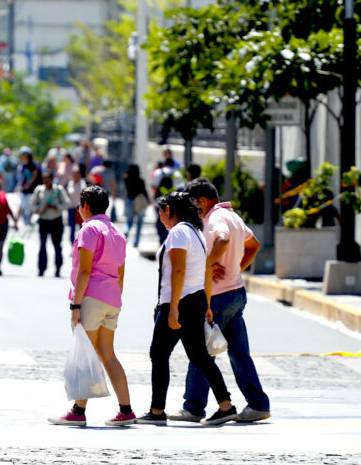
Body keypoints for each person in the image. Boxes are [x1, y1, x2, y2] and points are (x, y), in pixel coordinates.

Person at [167, 179, 270, 423]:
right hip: (236, 292)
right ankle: (257, 404)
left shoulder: (215, 219)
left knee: (201, 351)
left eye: (193, 203)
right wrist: (236, 268)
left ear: (202, 200)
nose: (192, 209)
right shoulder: (231, 215)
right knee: (239, 353)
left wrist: (207, 264)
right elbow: (253, 246)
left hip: (217, 295)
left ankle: (193, 407)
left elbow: (222, 240)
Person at [136, 191, 237, 426]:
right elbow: (206, 270)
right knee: (199, 356)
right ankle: (226, 405)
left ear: (169, 210)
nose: (159, 215)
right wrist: (208, 304)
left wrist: (173, 310)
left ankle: (157, 411)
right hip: (195, 299)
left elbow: (179, 270)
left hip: (180, 302)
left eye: (161, 210)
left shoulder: (179, 232)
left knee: (159, 354)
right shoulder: (195, 232)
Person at [49, 185, 137, 427]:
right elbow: (121, 271)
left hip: (92, 297)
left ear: (86, 205)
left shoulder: (89, 230)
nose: (78, 210)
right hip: (112, 299)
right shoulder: (117, 231)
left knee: (85, 355)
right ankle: (126, 409)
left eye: (79, 205)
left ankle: (78, 411)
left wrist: (76, 304)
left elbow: (85, 270)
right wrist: (115, 298)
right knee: (108, 355)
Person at [30, 171, 71, 277]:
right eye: (44, 178)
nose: (46, 180)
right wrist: (38, 210)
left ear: (52, 179)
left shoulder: (59, 190)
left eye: (48, 178)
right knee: (42, 245)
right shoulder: (39, 190)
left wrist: (56, 207)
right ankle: (41, 268)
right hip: (44, 220)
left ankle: (58, 267)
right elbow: (32, 205)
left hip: (56, 220)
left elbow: (67, 203)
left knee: (57, 245)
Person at [123, 164, 149, 248]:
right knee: (139, 222)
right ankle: (136, 242)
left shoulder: (126, 179)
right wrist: (148, 200)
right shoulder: (141, 180)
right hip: (139, 202)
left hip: (129, 200)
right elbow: (144, 191)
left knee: (129, 222)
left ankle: (124, 235)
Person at [16, 147, 41, 225]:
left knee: (31, 205)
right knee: (22, 205)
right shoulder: (23, 165)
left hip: (32, 189)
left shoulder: (33, 165)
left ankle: (29, 220)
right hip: (24, 189)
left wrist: (28, 184)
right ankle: (16, 221)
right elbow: (23, 177)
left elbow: (34, 176)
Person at [65, 164, 86, 243]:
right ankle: (73, 245)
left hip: (80, 209)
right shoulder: (69, 184)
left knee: (82, 228)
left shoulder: (83, 184)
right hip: (71, 208)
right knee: (72, 229)